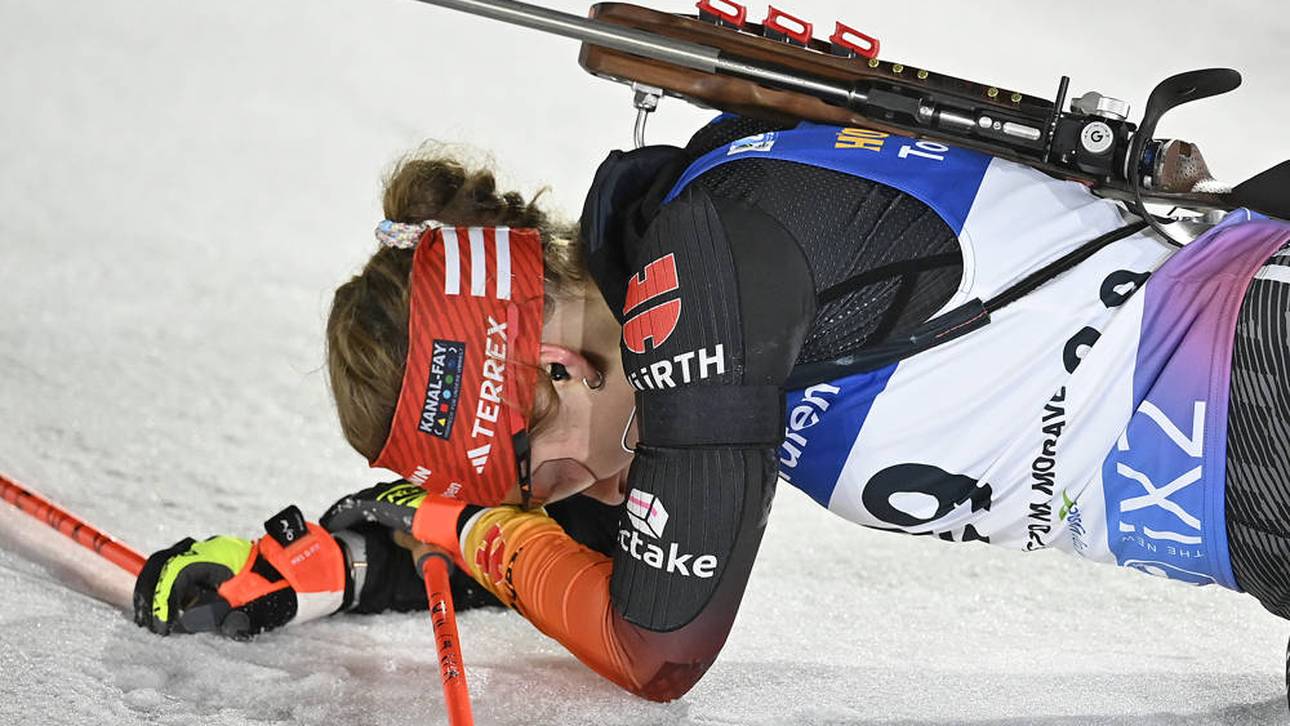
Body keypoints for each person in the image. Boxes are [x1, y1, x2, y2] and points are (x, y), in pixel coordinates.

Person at [131, 115, 1290, 702]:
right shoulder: (651, 326)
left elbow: (656, 640)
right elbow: (574, 547)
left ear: (549, 366)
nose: (588, 497)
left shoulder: (706, 270)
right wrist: (346, 557)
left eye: (539, 471)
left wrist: (468, 525)